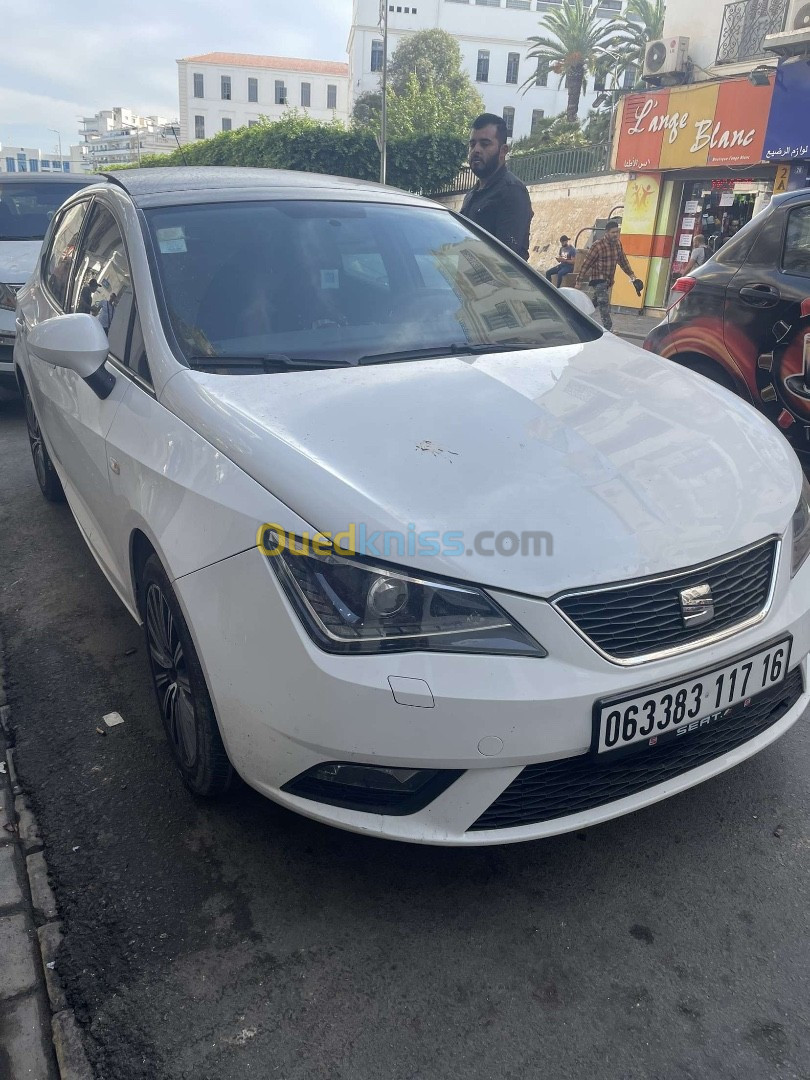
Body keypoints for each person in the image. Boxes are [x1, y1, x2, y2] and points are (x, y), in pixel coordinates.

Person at [460, 113, 533, 261]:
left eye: (485, 144)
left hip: (498, 283)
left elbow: (504, 259)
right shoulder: (472, 195)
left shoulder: (512, 192)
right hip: (464, 283)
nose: (476, 150)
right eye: (472, 144)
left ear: (503, 150)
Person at [576, 220, 643, 331]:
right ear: (606, 232)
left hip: (608, 280)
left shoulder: (618, 244)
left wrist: (631, 274)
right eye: (613, 232)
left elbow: (622, 260)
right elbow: (586, 263)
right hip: (598, 278)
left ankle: (579, 317)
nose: (616, 234)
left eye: (617, 232)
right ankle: (608, 329)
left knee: (595, 302)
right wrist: (579, 281)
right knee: (604, 302)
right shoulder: (597, 245)